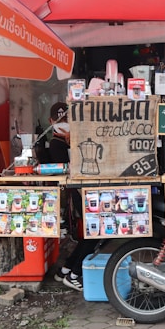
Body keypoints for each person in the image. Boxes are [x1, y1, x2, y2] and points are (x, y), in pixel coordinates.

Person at [47, 102, 100, 291]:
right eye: (60, 120)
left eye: (67, 119)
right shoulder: (55, 144)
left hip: (87, 189)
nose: (64, 123)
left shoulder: (73, 140)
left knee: (92, 234)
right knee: (95, 233)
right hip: (78, 191)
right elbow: (68, 171)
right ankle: (75, 273)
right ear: (51, 121)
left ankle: (67, 268)